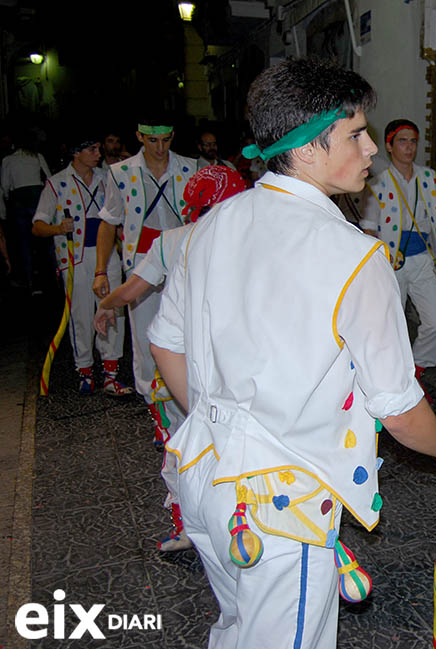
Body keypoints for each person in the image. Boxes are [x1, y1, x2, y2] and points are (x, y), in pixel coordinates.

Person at [147, 60, 436, 649]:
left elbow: (164, 344)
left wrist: (232, 428)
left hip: (203, 476)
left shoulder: (208, 228)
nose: (372, 147)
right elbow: (400, 414)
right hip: (280, 510)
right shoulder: (355, 255)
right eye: (355, 133)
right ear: (304, 149)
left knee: (236, 629)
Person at [94, 165, 247, 552]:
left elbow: (130, 292)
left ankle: (187, 528)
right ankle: (241, 525)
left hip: (181, 370)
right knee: (239, 449)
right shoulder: (252, 238)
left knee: (180, 446)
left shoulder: (171, 240)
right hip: (239, 369)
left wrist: (105, 305)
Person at [94, 116, 198, 447]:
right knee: (144, 337)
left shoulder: (190, 167)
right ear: (139, 136)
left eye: (166, 140)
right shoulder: (120, 172)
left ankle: (189, 405)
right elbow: (109, 223)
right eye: (153, 141)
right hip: (141, 257)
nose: (160, 147)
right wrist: (100, 271)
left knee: (188, 330)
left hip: (183, 255)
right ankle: (158, 415)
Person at [359, 119, 436, 392]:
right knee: (392, 322)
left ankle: (416, 370)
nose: (409, 147)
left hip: (424, 258)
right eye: (402, 141)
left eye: (413, 141)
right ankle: (393, 379)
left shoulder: (427, 177)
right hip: (392, 262)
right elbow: (368, 227)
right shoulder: (377, 182)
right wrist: (376, 266)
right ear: (389, 146)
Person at [31, 136, 132, 395]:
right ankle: (84, 371)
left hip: (107, 255)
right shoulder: (57, 184)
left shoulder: (107, 177)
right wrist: (57, 228)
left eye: (98, 148)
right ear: (76, 153)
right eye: (91, 149)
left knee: (112, 311)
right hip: (74, 260)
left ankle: (111, 373)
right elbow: (37, 225)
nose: (98, 153)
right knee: (81, 316)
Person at [1, 133, 52, 293]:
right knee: (45, 240)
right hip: (37, 197)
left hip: (19, 200)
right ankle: (51, 279)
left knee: (24, 243)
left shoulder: (8, 160)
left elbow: (5, 185)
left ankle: (30, 281)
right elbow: (50, 178)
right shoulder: (37, 156)